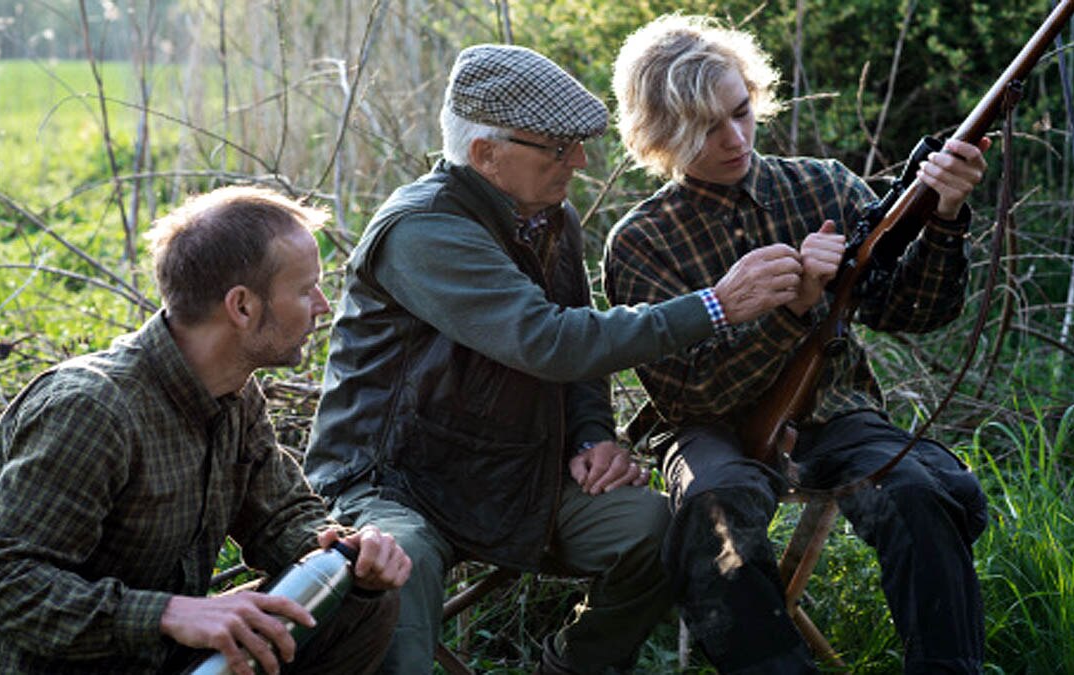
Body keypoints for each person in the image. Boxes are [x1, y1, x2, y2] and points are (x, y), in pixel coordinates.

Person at [302, 43, 789, 675]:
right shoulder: (423, 231)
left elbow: (582, 357)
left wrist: (593, 437)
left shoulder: (547, 215)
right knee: (400, 559)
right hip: (396, 481)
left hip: (513, 475)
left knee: (651, 527)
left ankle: (571, 667)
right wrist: (716, 307)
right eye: (560, 148)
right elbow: (553, 341)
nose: (581, 162)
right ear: (486, 154)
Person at [603, 15, 991, 673]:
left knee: (917, 491)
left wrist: (946, 217)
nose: (735, 139)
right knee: (711, 515)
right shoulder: (641, 242)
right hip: (707, 429)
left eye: (740, 111)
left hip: (833, 413)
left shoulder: (822, 185)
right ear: (661, 136)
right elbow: (689, 390)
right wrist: (796, 309)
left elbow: (915, 309)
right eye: (706, 128)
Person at [0, 186, 412, 675]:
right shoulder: (91, 410)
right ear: (242, 307)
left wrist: (345, 553)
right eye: (304, 289)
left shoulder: (234, 393)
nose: (320, 304)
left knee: (359, 603)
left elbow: (281, 519)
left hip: (153, 658)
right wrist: (171, 613)